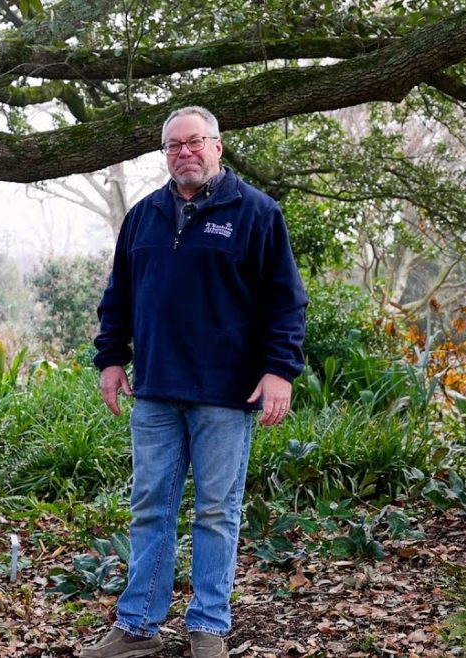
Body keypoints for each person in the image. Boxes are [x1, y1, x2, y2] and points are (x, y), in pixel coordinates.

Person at [81, 107, 307, 658]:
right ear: (165, 154)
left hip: (226, 394)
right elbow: (119, 297)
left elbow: (285, 301)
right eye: (174, 146)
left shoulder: (256, 212)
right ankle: (138, 627)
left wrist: (279, 370)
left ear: (217, 147)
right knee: (150, 508)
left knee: (216, 512)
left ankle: (208, 626)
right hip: (156, 390)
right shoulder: (144, 216)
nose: (184, 152)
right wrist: (111, 358)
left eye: (194, 142)